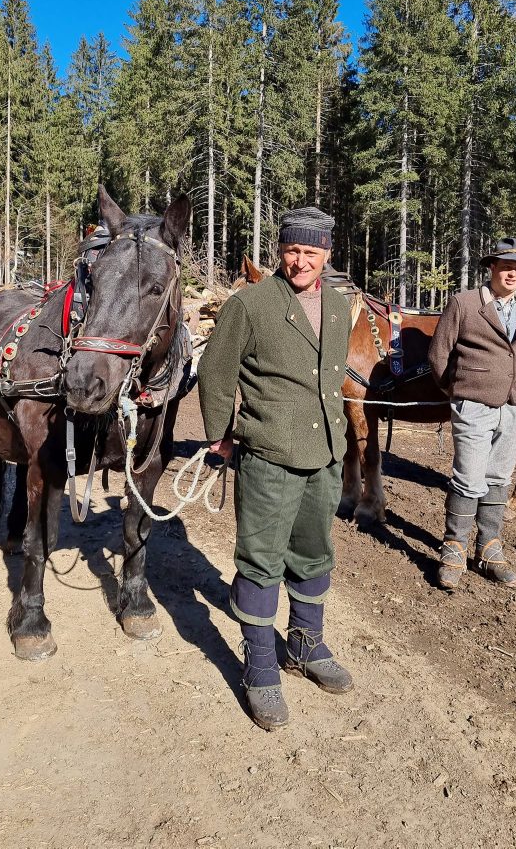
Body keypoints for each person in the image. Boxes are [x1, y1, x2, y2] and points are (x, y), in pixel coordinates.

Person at [198, 207, 354, 731]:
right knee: (262, 560)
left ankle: (305, 643)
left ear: (327, 254)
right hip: (269, 454)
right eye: (292, 250)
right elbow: (215, 371)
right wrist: (219, 434)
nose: (300, 260)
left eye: (311, 251)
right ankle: (260, 665)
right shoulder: (251, 303)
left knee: (314, 553)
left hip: (326, 453)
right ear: (280, 251)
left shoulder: (339, 304)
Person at [428, 237, 516, 593]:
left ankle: (489, 547)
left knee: (498, 476)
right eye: (506, 267)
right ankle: (454, 547)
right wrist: (460, 392)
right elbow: (438, 356)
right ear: (492, 268)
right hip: (473, 405)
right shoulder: (463, 304)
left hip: (512, 406)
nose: (512, 274)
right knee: (468, 476)